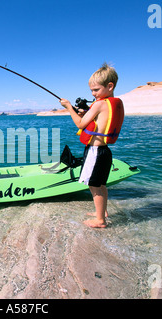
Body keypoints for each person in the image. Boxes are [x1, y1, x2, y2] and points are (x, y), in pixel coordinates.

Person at [60, 63, 124, 228]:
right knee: (101, 184)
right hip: (105, 151)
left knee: (94, 185)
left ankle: (100, 220)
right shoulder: (111, 103)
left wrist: (69, 107)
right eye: (91, 91)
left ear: (110, 86)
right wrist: (86, 113)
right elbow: (99, 121)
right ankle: (102, 212)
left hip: (95, 152)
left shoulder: (99, 104)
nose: (93, 94)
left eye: (96, 90)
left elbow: (81, 124)